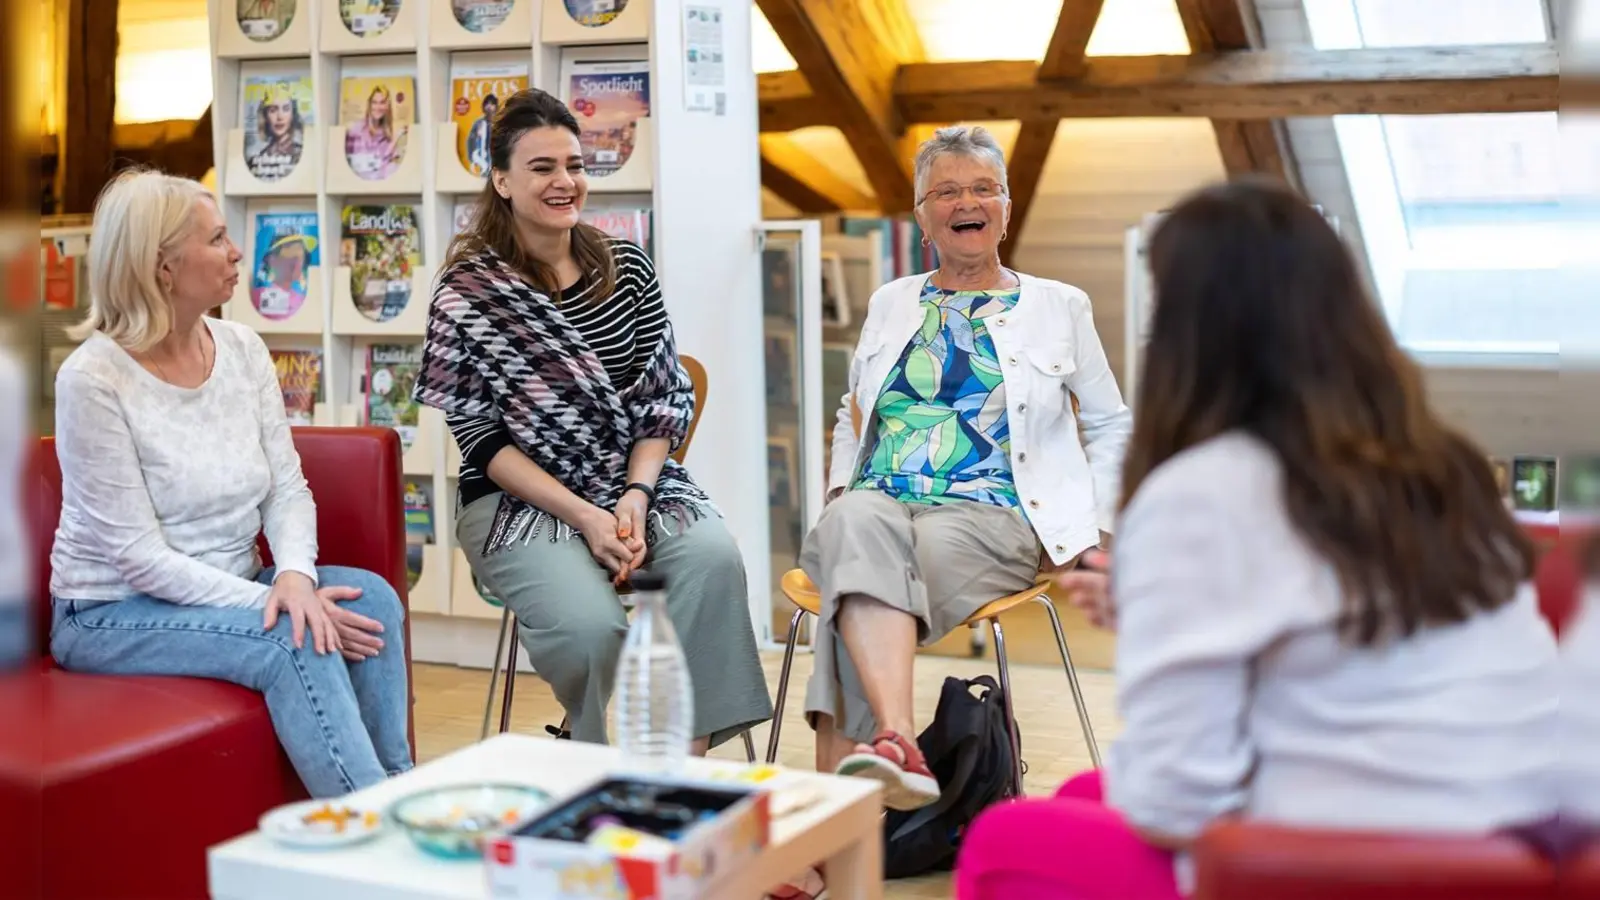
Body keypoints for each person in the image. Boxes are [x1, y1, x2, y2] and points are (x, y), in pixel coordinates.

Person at [954, 178, 1560, 900]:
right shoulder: (1441, 464)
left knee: (1003, 839)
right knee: (1086, 788)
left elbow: (1175, 799)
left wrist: (1163, 616)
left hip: (1360, 856)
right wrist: (1164, 609)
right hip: (1513, 833)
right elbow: (1341, 636)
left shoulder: (1202, 491)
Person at [413, 88, 772, 750]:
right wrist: (586, 517)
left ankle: (673, 767)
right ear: (501, 179)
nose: (565, 181)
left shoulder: (627, 268)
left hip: (630, 482)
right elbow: (482, 441)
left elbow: (661, 403)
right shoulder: (468, 294)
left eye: (575, 164)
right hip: (513, 498)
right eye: (543, 167)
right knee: (590, 629)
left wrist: (635, 495)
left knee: (712, 561)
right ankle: (610, 763)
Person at [47, 168, 413, 799]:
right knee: (290, 636)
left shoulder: (242, 347)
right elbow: (139, 560)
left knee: (372, 599)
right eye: (217, 239)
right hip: (109, 611)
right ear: (162, 266)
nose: (237, 252)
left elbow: (286, 488)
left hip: (232, 585)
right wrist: (278, 604)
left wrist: (295, 577)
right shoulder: (94, 379)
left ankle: (401, 795)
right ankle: (374, 826)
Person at [801, 124, 1132, 810]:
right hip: (878, 499)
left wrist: (1094, 528)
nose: (965, 202)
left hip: (992, 515)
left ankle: (832, 831)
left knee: (853, 587)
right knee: (854, 529)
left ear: (1005, 208)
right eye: (945, 191)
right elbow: (851, 409)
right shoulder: (892, 301)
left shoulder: (1060, 306)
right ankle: (896, 738)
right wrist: (839, 490)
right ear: (923, 217)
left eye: (982, 188)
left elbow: (1109, 421)